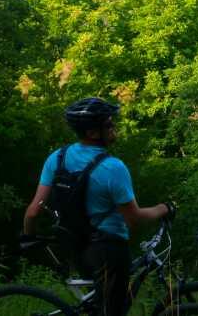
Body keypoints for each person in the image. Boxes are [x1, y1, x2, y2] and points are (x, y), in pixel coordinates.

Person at [22, 97, 173, 316]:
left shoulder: (57, 158)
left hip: (75, 246)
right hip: (108, 251)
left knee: (97, 306)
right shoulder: (113, 168)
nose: (114, 128)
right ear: (93, 133)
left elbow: (33, 210)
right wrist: (163, 208)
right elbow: (135, 218)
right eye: (109, 125)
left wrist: (28, 238)